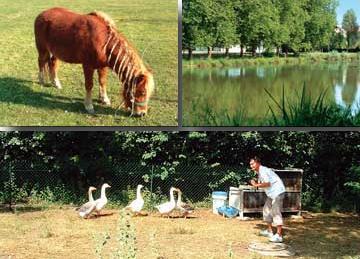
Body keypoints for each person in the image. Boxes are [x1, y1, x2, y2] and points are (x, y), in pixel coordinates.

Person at [249, 156, 285, 243]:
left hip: (278, 192)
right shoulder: (260, 172)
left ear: (258, 163)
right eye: (250, 164)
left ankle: (279, 236)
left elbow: (268, 184)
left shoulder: (263, 170)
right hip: (272, 194)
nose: (251, 166)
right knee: (266, 210)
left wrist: (256, 185)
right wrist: (256, 184)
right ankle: (270, 231)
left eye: (253, 164)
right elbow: (265, 183)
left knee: (275, 211)